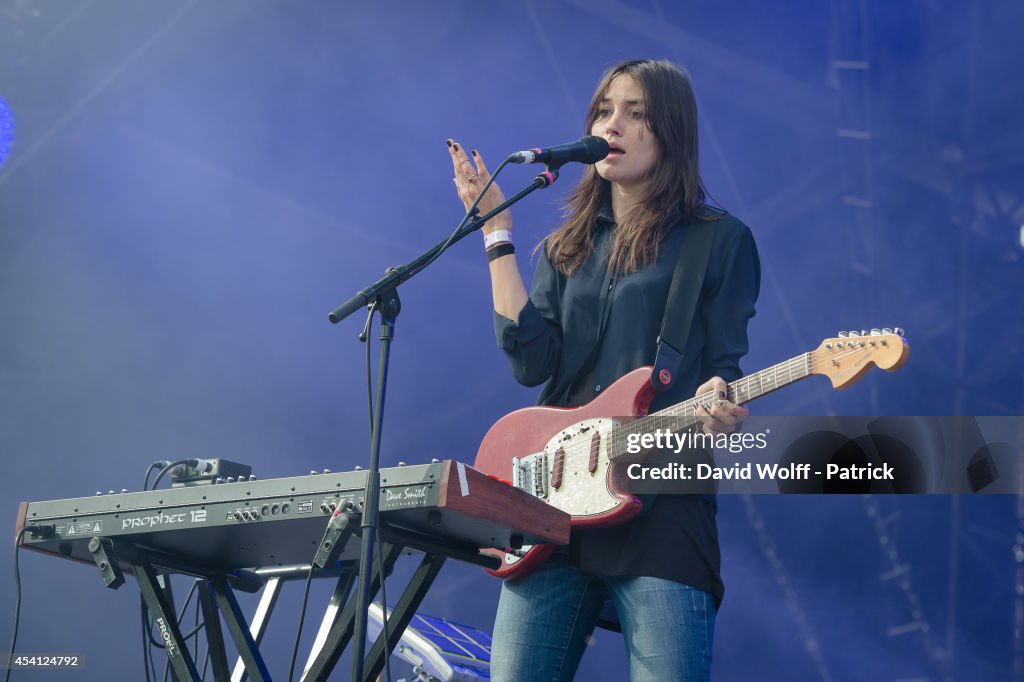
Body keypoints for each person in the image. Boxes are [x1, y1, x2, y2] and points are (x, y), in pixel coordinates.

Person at [447, 59, 760, 682]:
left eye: (635, 112)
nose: (611, 124)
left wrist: (718, 404)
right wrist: (497, 234)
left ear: (670, 131)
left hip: (660, 506)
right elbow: (530, 361)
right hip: (554, 510)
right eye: (603, 110)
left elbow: (723, 368)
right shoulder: (571, 243)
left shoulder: (718, 240)